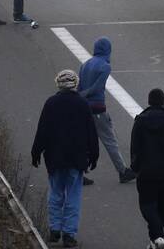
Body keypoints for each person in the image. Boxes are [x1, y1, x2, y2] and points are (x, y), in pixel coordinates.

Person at [31, 69, 100, 248]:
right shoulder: (82, 104)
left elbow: (42, 130)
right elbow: (91, 132)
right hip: (76, 158)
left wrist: (36, 152)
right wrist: (94, 154)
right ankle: (69, 234)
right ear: (75, 83)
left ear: (58, 84)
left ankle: (54, 230)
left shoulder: (51, 103)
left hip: (55, 157)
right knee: (73, 196)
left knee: (55, 194)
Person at [77, 38, 137, 184]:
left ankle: (79, 173)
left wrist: (81, 96)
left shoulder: (85, 64)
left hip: (84, 108)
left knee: (84, 141)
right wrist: (87, 94)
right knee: (109, 140)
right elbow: (97, 88)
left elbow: (79, 86)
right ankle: (122, 171)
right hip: (97, 107)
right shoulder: (105, 66)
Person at [131, 88, 164, 249]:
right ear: (162, 101)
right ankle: (155, 239)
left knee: (147, 205)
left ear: (149, 100)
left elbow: (135, 147)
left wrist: (135, 166)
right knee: (162, 205)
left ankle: (158, 236)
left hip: (146, 171)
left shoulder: (140, 120)